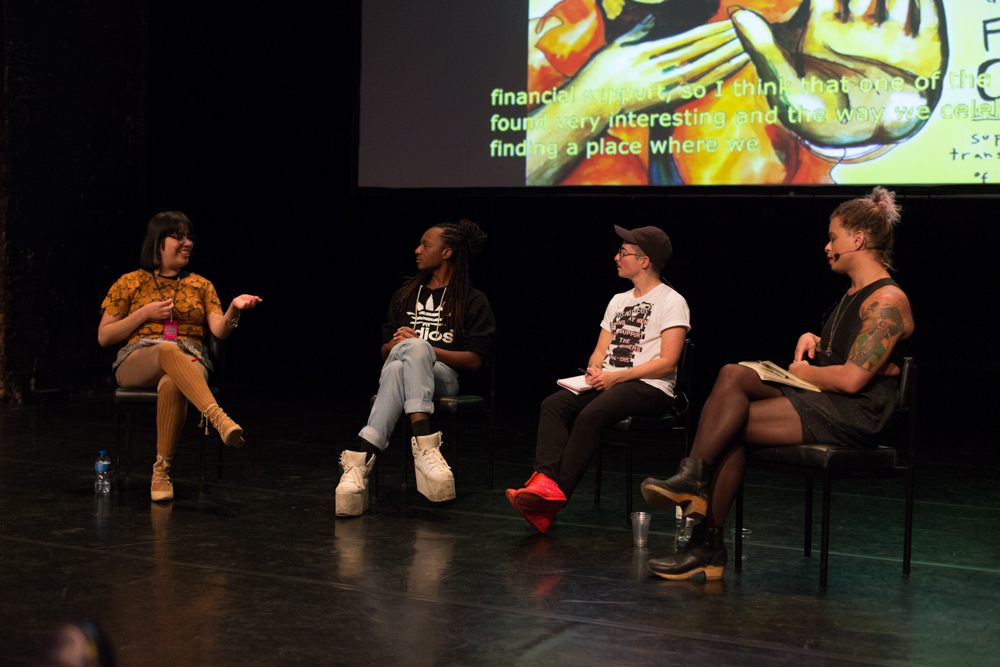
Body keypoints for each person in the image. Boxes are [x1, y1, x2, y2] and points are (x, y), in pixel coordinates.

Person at [641, 187, 914, 580]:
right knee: (733, 374)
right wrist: (817, 342)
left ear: (858, 240)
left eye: (833, 237)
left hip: (855, 415)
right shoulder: (854, 295)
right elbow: (849, 355)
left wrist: (806, 372)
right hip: (827, 399)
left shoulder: (886, 300)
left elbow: (854, 379)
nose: (827, 246)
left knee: (728, 426)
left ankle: (705, 540)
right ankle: (694, 483)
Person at [527, 0, 947, 185]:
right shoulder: (553, 40)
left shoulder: (782, 18)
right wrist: (592, 100)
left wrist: (864, 124)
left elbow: (815, 160)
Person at [506, 225, 690, 533]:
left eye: (623, 252)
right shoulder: (618, 300)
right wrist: (594, 369)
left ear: (645, 260)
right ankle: (543, 483)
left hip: (650, 388)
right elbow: (599, 352)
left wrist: (616, 377)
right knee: (554, 404)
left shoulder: (671, 301)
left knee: (592, 414)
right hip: (611, 382)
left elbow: (668, 363)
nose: (616, 257)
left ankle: (553, 500)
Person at [98, 211, 262, 502]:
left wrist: (234, 309)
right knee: (166, 348)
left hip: (188, 358)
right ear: (157, 243)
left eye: (190, 237)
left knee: (174, 380)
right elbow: (104, 336)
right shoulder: (130, 282)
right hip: (140, 358)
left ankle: (161, 472)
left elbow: (219, 331)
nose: (187, 242)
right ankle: (218, 419)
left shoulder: (201, 285)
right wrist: (144, 313)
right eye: (178, 236)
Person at [337, 219, 495, 516]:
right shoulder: (406, 295)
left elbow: (474, 360)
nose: (417, 250)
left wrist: (423, 346)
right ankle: (425, 447)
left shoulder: (472, 300)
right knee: (399, 368)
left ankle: (358, 467)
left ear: (447, 253)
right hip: (402, 371)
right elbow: (386, 351)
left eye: (425, 244)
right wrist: (399, 344)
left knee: (415, 349)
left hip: (443, 379)